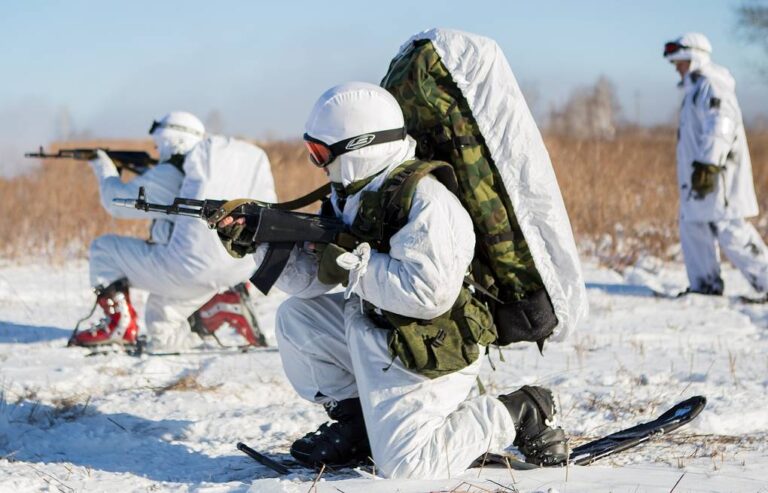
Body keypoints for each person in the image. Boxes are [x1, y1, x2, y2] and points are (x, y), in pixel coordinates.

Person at [218, 83, 568, 478]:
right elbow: (311, 284)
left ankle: (519, 410)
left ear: (360, 147)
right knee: (297, 319)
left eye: (321, 154)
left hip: (427, 348)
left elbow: (427, 294)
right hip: (378, 329)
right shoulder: (351, 196)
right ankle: (359, 428)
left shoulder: (427, 202)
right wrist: (258, 244)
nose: (318, 164)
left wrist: (349, 265)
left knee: (406, 467)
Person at [71, 111, 276, 350]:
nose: (157, 152)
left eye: (159, 145)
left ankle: (117, 326)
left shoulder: (173, 172)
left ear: (171, 139)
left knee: (103, 249)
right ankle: (220, 305)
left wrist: (103, 167)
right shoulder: (215, 171)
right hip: (236, 272)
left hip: (188, 270)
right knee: (161, 329)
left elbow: (115, 202)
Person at [664, 33, 768, 298]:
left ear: (694, 58)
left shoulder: (712, 85)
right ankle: (705, 285)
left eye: (680, 61)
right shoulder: (694, 90)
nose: (676, 67)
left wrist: (709, 164)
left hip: (716, 176)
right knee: (693, 225)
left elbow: (721, 124)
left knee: (730, 229)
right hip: (698, 177)